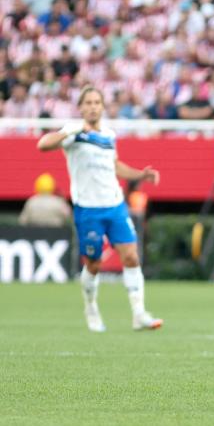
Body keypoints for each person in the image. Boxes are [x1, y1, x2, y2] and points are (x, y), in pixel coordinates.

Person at [37, 86, 163, 333]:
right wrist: (68, 131)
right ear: (81, 107)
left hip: (115, 205)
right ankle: (91, 307)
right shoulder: (74, 132)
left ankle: (139, 313)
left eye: (97, 102)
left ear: (102, 106)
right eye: (89, 102)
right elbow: (43, 145)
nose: (93, 106)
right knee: (93, 264)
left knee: (131, 256)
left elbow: (114, 166)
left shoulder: (108, 134)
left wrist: (141, 174)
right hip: (88, 209)